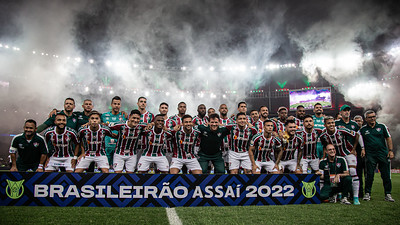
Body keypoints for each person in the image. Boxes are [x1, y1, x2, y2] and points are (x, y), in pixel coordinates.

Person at [320, 116, 361, 205]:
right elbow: (325, 146)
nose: (331, 125)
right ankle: (337, 193)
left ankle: (355, 197)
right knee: (334, 174)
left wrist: (354, 149)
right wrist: (324, 156)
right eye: (329, 123)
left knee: (353, 172)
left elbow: (356, 135)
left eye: (332, 123)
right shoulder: (323, 135)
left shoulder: (341, 130)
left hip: (347, 153)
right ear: (325, 125)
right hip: (335, 155)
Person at [360, 110, 395, 202]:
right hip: (370, 155)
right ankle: (367, 194)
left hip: (382, 154)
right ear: (366, 119)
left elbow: (388, 138)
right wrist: (362, 149)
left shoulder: (382, 126)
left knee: (386, 175)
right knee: (369, 175)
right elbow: (359, 141)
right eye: (370, 117)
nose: (372, 118)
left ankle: (388, 194)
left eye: (373, 116)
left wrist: (390, 150)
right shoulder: (363, 130)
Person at [336, 105, 366, 198]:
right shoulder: (336, 123)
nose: (347, 112)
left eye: (348, 111)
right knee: (339, 173)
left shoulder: (354, 124)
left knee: (353, 171)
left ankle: (355, 196)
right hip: (339, 152)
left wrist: (362, 148)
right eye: (344, 111)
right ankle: (340, 193)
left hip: (350, 151)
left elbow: (358, 135)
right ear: (340, 112)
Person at [101, 96, 127, 169]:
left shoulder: (124, 116)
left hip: (119, 147)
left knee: (117, 169)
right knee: (105, 168)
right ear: (111, 104)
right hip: (106, 145)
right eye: (115, 103)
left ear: (120, 105)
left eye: (118, 104)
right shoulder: (104, 116)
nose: (116, 105)